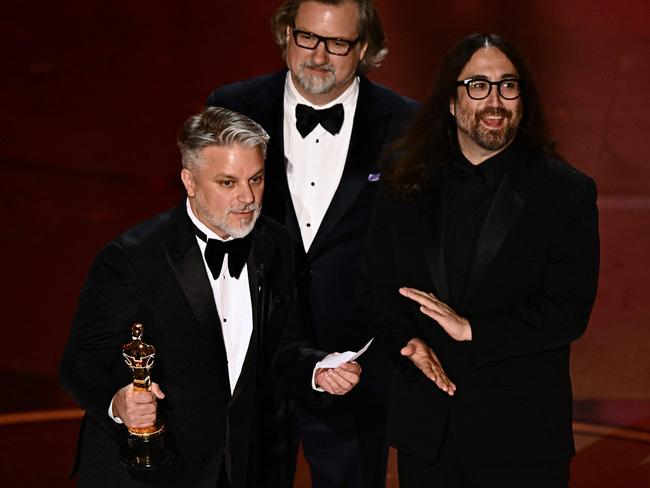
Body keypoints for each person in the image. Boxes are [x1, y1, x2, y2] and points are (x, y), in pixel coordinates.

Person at [59, 106, 362, 488]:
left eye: (255, 179)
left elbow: (284, 343)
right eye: (227, 183)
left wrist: (317, 370)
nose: (247, 197)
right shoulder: (133, 258)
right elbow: (79, 362)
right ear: (189, 181)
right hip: (149, 473)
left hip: (240, 469)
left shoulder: (276, 245)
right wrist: (117, 403)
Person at [359, 33, 600, 488]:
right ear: (450, 101)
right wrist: (406, 342)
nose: (495, 100)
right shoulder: (403, 179)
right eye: (478, 85)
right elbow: (375, 287)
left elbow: (568, 313)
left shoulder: (566, 191)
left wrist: (474, 330)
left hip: (521, 438)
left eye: (508, 86)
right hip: (427, 433)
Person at [206, 1, 417, 487]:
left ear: (363, 48)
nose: (319, 55)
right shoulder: (231, 106)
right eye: (307, 38)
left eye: (338, 43)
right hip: (254, 358)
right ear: (285, 33)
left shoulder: (405, 124)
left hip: (354, 366)